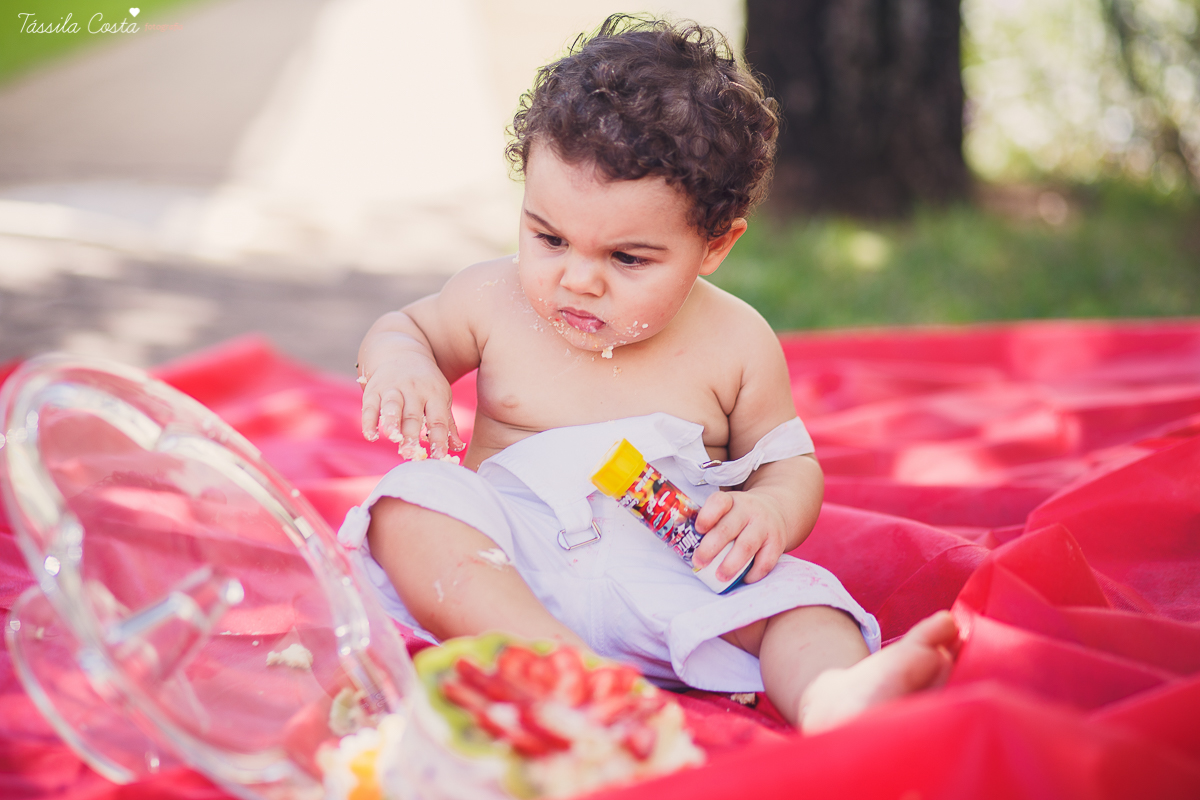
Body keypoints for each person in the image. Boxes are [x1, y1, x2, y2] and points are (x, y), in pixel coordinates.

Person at [340, 14, 959, 733]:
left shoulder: (735, 341)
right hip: (509, 562)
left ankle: (836, 697)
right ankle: (555, 662)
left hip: (670, 565)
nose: (577, 279)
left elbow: (790, 465)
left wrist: (767, 513)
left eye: (627, 259)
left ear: (714, 246)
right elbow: (404, 328)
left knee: (804, 600)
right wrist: (402, 363)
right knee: (410, 502)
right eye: (549, 237)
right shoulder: (491, 297)